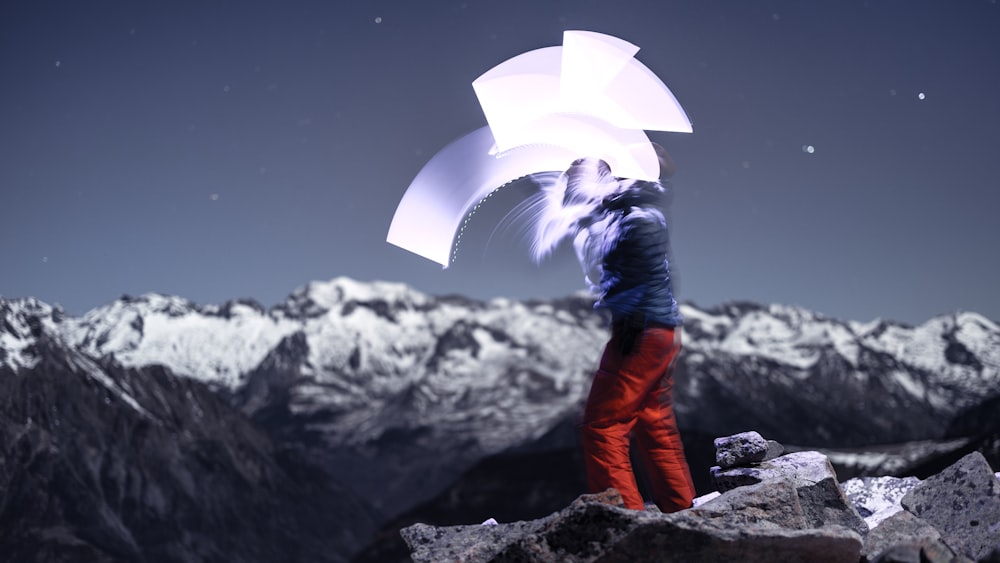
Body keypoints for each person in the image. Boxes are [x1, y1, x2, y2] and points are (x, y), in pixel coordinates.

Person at [528, 145, 695, 512]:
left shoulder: (634, 220)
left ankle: (624, 520)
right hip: (661, 331)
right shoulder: (635, 212)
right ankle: (682, 511)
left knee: (603, 426)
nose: (576, 175)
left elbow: (632, 273)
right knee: (654, 424)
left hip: (639, 331)